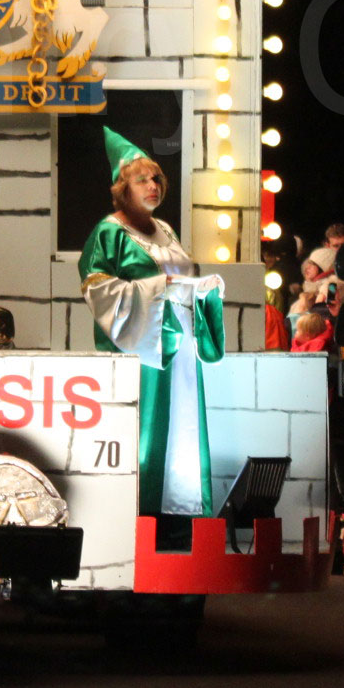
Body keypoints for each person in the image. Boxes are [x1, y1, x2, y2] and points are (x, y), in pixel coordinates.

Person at [82, 130, 226, 523]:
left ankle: (183, 511)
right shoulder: (109, 232)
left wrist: (201, 290)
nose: (153, 186)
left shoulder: (166, 229)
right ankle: (145, 513)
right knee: (152, 425)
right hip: (144, 344)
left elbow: (183, 279)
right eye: (142, 179)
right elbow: (97, 288)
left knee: (183, 423)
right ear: (122, 188)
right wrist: (161, 287)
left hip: (181, 343)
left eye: (157, 179)